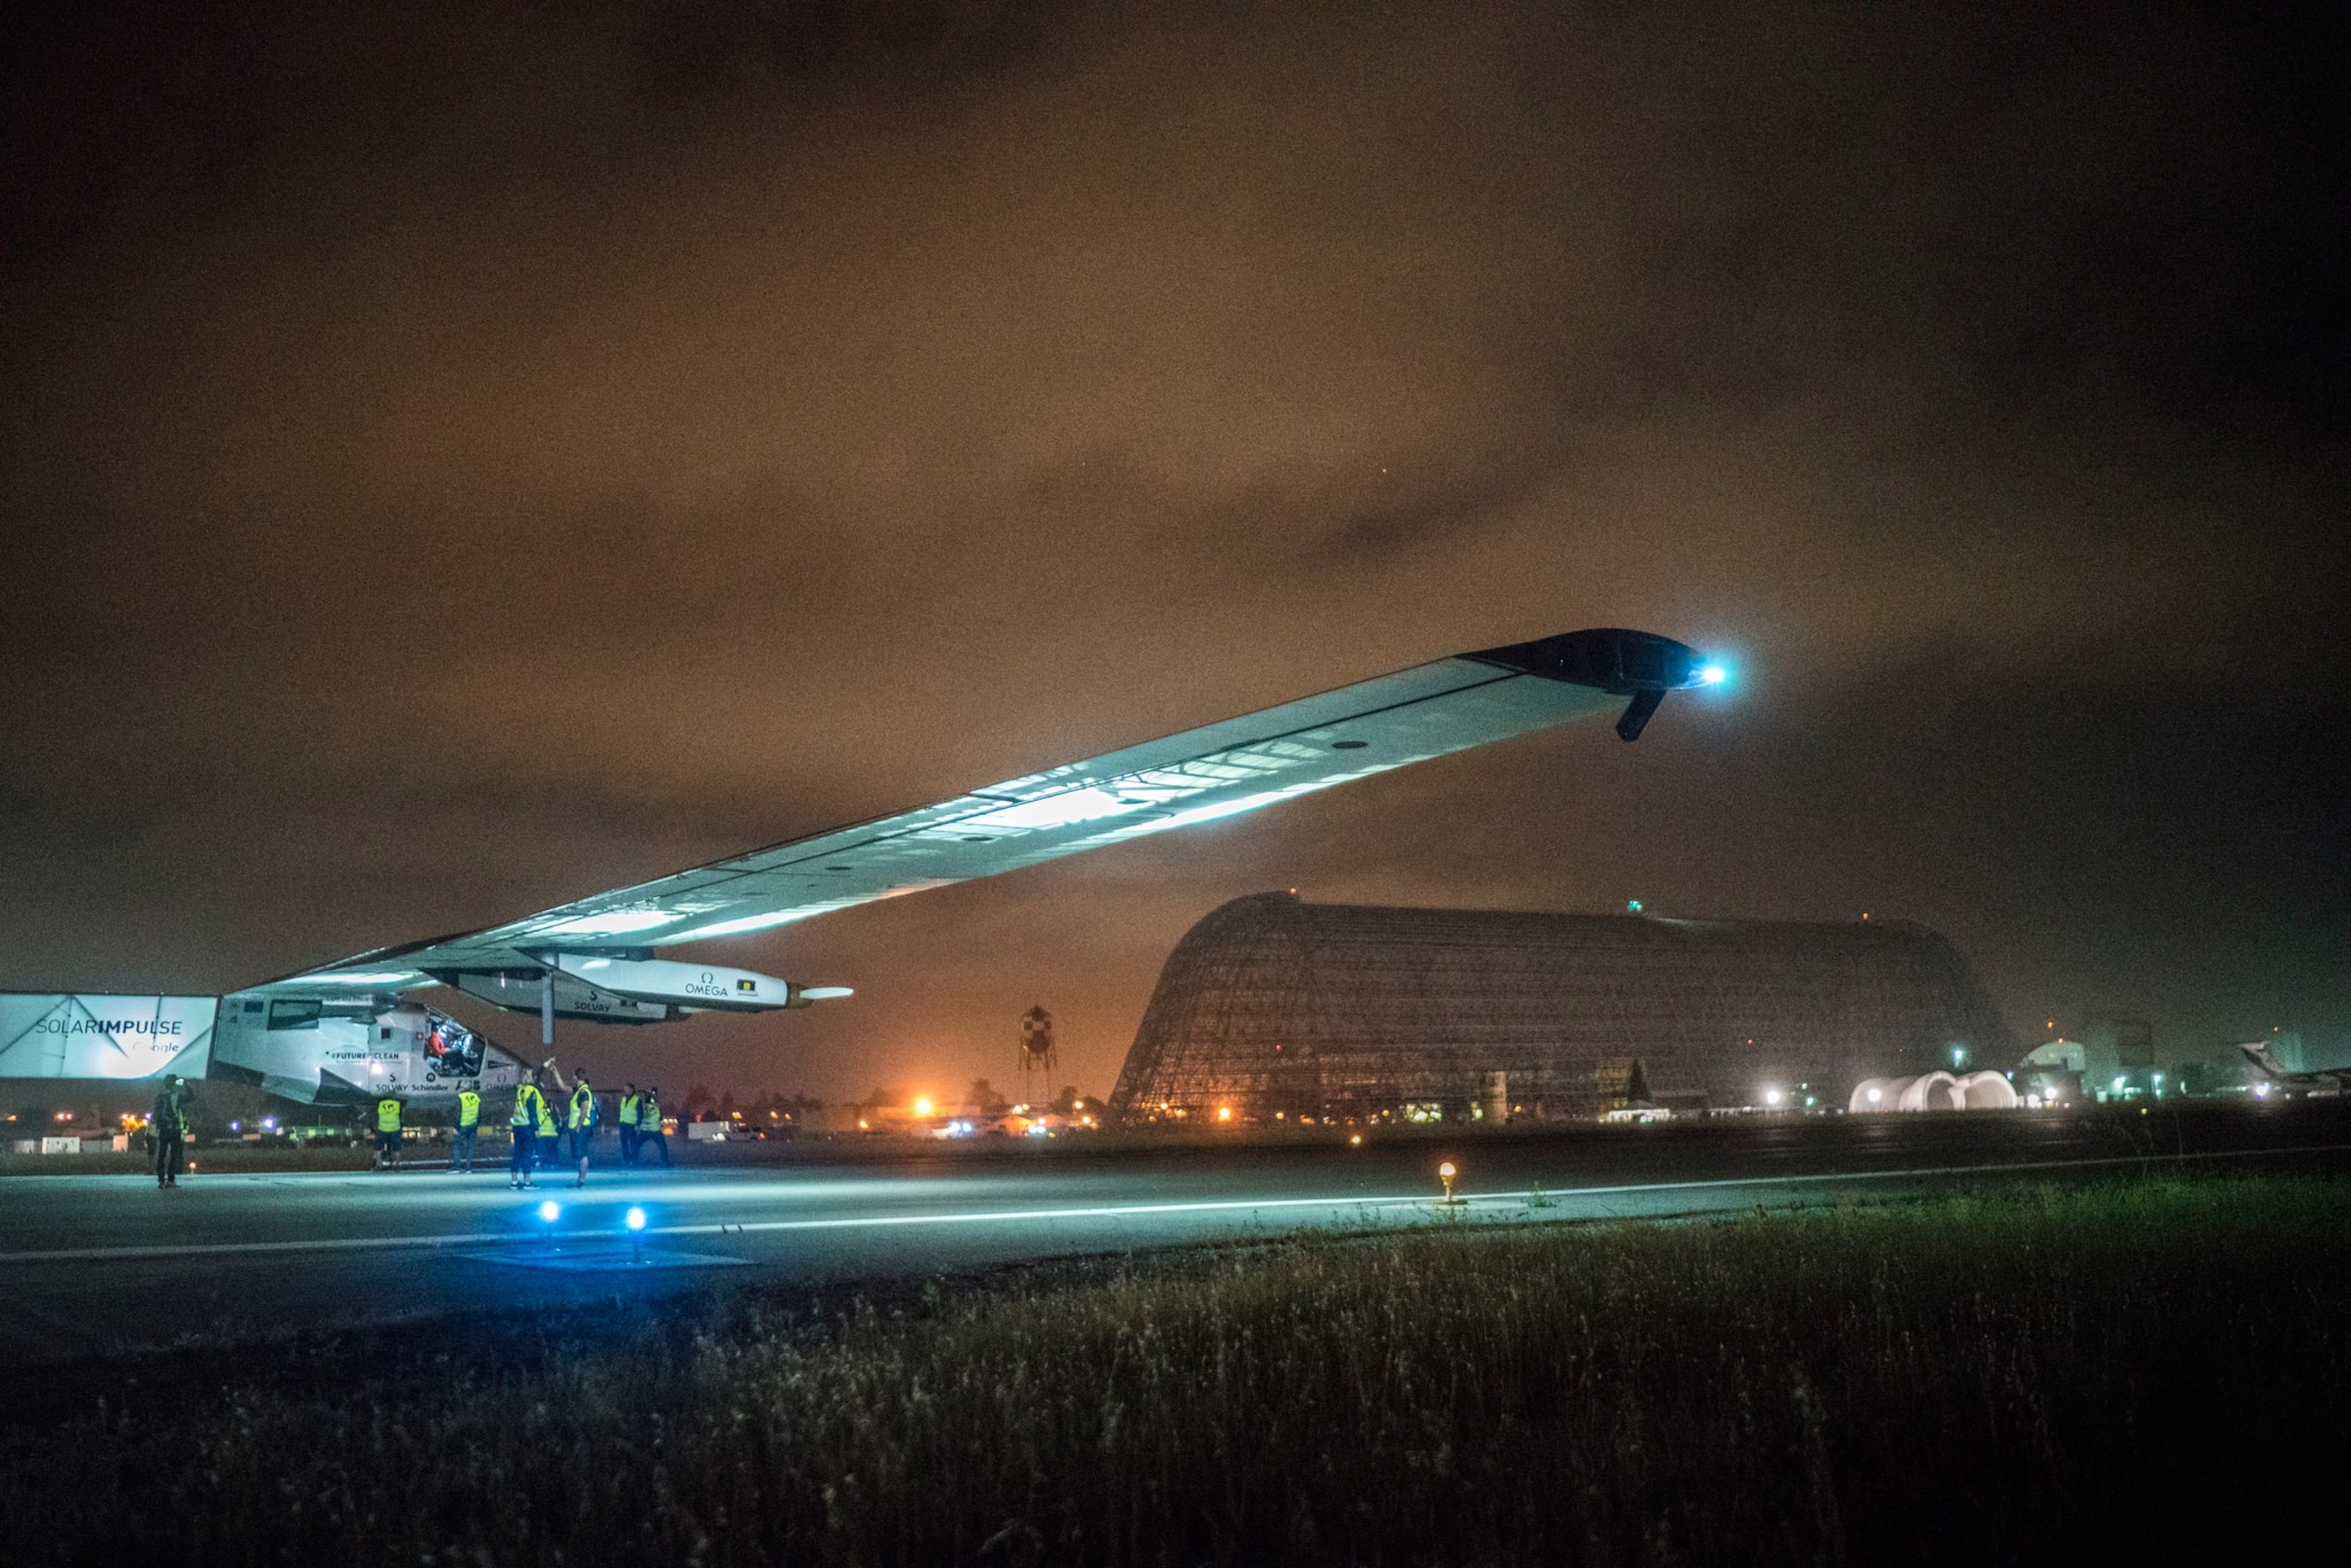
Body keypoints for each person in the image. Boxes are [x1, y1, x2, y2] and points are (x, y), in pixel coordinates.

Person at [510, 1072, 548, 1189]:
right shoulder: (531, 1091)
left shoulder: (520, 1090)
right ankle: (527, 1182)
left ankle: (514, 1181)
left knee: (517, 1153)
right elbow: (532, 1112)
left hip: (517, 1126)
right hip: (527, 1127)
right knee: (527, 1154)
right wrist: (536, 1128)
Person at [150, 1074, 188, 1188]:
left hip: (163, 1128)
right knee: (174, 1155)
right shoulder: (177, 1096)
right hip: (175, 1128)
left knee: (162, 1154)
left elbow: (157, 1112)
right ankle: (171, 1180)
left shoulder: (160, 1096)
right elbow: (191, 1098)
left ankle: (161, 1180)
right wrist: (187, 1085)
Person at [566, 1073, 599, 1187]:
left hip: (582, 1127)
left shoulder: (583, 1092)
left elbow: (584, 1111)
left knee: (582, 1154)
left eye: (573, 1076)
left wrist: (579, 1126)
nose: (572, 1078)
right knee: (579, 1154)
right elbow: (563, 1087)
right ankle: (580, 1179)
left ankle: (582, 1180)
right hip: (579, 1127)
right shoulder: (579, 1091)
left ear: (576, 1077)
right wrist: (555, 1073)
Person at [452, 1085, 481, 1173]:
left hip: (462, 1125)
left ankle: (457, 1167)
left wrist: (455, 1126)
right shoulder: (476, 1098)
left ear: (462, 1089)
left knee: (457, 1146)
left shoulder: (460, 1097)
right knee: (471, 1147)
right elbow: (479, 1114)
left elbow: (458, 1113)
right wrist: (476, 1124)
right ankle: (469, 1168)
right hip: (473, 1125)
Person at [637, 1085, 669, 1165]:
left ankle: (633, 1161)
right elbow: (661, 1116)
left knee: (636, 1145)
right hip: (654, 1130)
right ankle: (665, 1161)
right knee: (663, 1147)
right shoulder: (656, 1106)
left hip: (646, 1130)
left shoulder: (642, 1106)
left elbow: (639, 1115)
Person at [374, 1091, 405, 1170]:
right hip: (395, 1129)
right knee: (397, 1148)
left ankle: (379, 1165)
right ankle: (397, 1165)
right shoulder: (397, 1105)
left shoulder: (381, 1104)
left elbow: (377, 1114)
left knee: (378, 1148)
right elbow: (401, 1116)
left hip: (382, 1129)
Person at [617, 1082, 641, 1166]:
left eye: (627, 1089)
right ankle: (626, 1159)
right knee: (624, 1143)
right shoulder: (623, 1099)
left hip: (632, 1125)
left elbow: (640, 1113)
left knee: (633, 1143)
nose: (625, 1090)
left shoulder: (637, 1100)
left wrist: (638, 1124)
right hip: (623, 1124)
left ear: (631, 1089)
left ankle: (634, 1160)